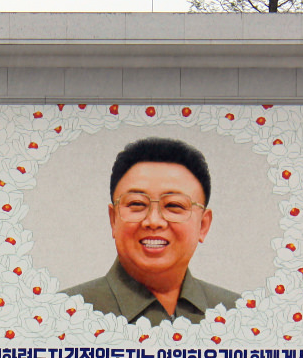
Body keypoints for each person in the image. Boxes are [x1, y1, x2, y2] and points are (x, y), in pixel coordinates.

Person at [61, 137, 239, 323]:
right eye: (137, 203)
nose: (153, 221)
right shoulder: (63, 314)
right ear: (113, 219)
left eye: (173, 205)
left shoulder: (238, 314)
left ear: (203, 225)